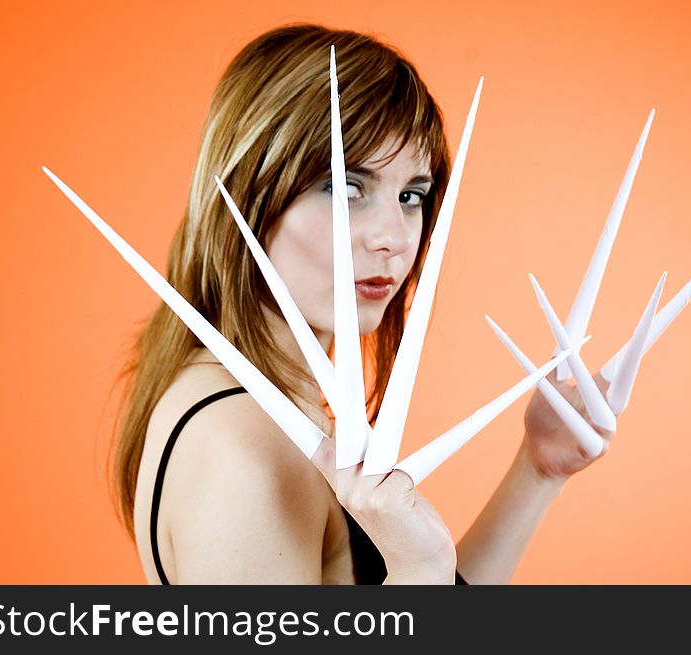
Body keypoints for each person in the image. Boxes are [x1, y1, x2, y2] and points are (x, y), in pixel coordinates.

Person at [111, 24, 614, 585]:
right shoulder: (244, 446)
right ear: (251, 193)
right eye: (346, 187)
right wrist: (417, 569)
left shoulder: (270, 401)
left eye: (410, 196)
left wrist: (539, 467)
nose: (395, 238)